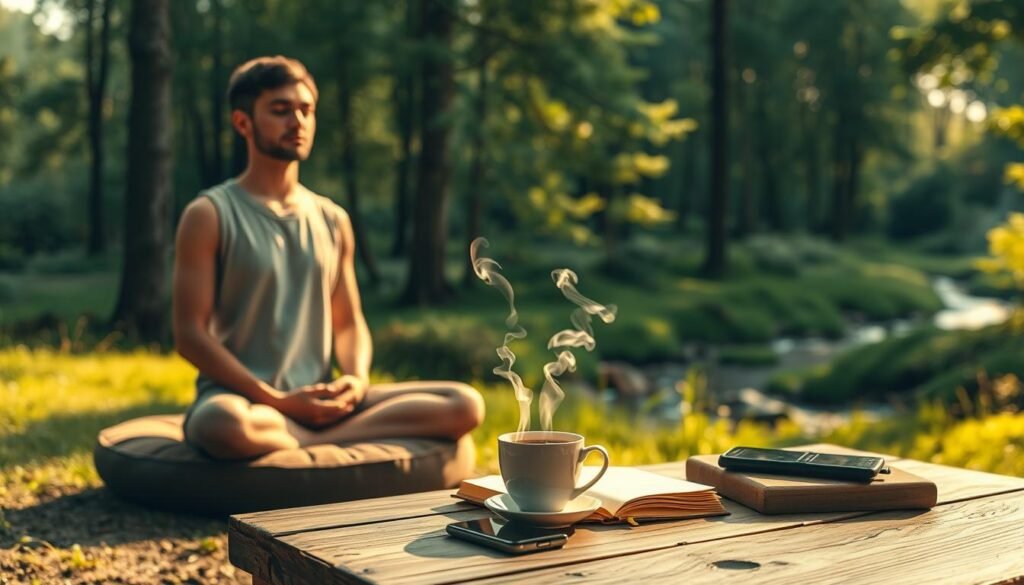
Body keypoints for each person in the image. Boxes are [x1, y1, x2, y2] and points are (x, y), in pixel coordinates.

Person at [173, 56, 484, 460]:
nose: (297, 122)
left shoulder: (333, 219)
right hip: (246, 402)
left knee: (464, 403)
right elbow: (189, 336)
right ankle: (320, 440)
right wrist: (279, 400)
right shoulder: (209, 214)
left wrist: (355, 379)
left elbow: (349, 323)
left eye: (306, 110)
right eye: (281, 111)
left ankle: (309, 440)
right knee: (221, 425)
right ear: (242, 123)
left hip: (324, 403)